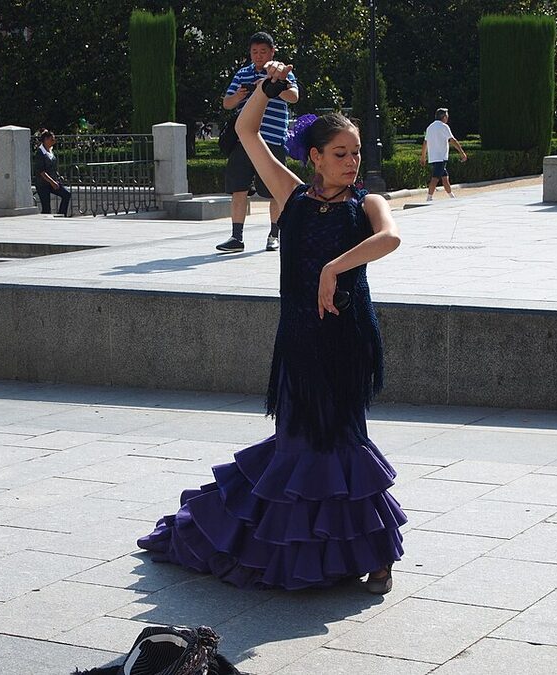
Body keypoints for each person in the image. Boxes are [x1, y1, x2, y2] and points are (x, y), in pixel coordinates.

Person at [138, 61, 404, 593]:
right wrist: (265, 86)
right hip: (300, 341)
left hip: (348, 340)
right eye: (340, 153)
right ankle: (294, 550)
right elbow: (246, 130)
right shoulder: (292, 196)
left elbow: (390, 238)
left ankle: (376, 554)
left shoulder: (368, 202)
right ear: (315, 157)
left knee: (346, 439)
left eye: (355, 153)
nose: (351, 162)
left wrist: (333, 268)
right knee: (298, 443)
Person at [216, 31, 299, 254]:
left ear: (272, 52)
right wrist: (239, 96)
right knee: (238, 188)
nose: (259, 56)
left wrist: (273, 87)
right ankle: (236, 237)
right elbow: (227, 103)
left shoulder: (281, 72)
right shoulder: (243, 73)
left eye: (263, 51)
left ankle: (274, 235)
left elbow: (294, 97)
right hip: (244, 141)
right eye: (255, 52)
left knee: (275, 190)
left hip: (273, 140)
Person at [420, 108, 466, 201]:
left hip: (433, 157)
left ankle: (452, 196)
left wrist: (423, 157)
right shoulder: (444, 126)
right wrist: (462, 152)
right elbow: (452, 140)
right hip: (440, 157)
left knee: (445, 177)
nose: (447, 118)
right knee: (435, 178)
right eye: (447, 116)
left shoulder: (430, 127)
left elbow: (425, 142)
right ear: (443, 117)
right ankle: (429, 197)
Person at [33, 129, 71, 216]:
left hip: (52, 181)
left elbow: (52, 166)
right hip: (43, 184)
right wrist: (52, 182)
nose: (54, 141)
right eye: (52, 139)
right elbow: (41, 171)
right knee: (46, 208)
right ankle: (45, 221)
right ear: (46, 140)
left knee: (66, 194)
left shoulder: (50, 150)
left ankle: (61, 215)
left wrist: (57, 177)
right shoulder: (40, 153)